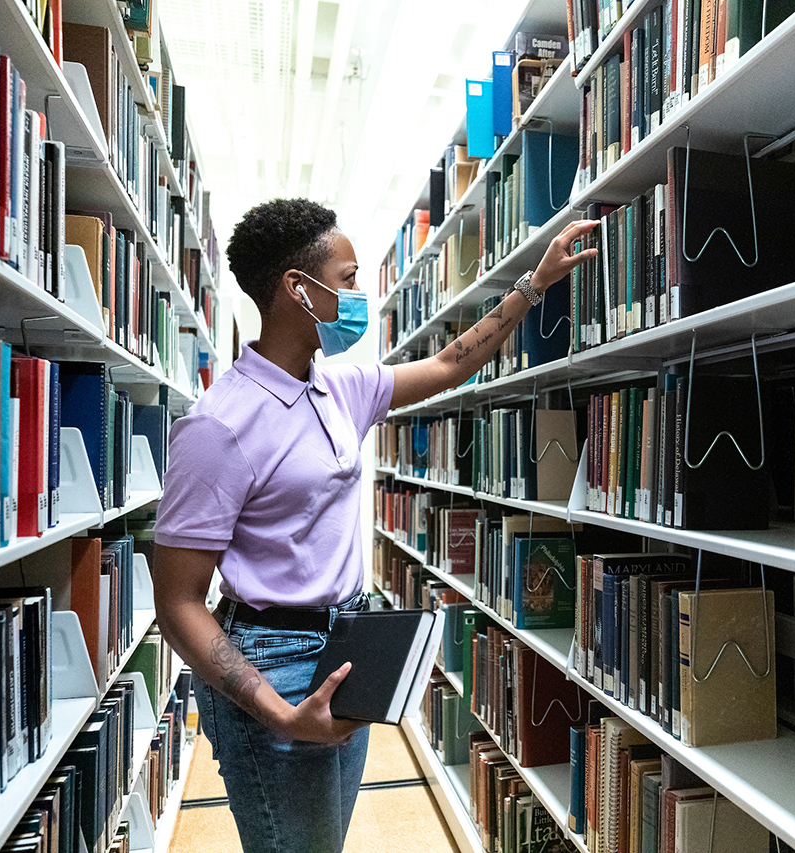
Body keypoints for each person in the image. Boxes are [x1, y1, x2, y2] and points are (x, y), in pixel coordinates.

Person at [152, 197, 598, 853]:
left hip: (346, 649)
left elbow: (450, 364)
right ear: (297, 290)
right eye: (349, 279)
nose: (361, 295)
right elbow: (178, 602)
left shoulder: (342, 389)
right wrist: (280, 713)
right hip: (271, 661)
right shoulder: (218, 427)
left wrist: (533, 284)